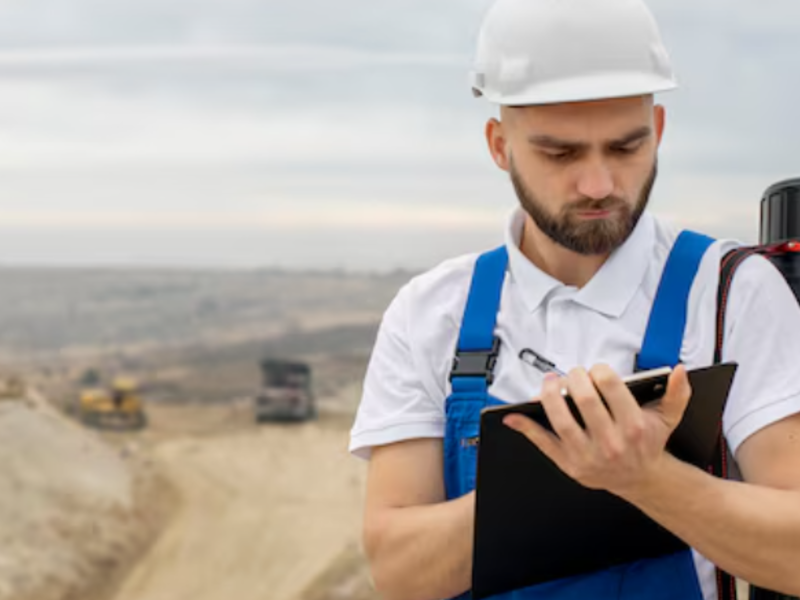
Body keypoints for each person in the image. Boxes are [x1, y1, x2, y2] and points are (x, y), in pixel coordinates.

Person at [348, 0, 800, 599]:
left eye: (625, 148)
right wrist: (568, 474)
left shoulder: (731, 292)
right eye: (560, 154)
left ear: (658, 130)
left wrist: (648, 479)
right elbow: (401, 574)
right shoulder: (431, 313)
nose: (599, 185)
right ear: (498, 145)